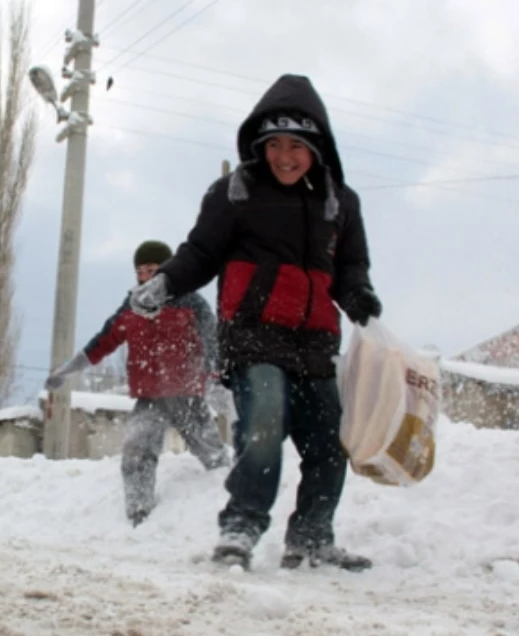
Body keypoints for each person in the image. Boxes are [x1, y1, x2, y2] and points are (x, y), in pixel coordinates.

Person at [129, 74, 382, 571]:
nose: (284, 156)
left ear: (318, 148)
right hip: (254, 337)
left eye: (297, 145)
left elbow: (350, 267)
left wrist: (360, 297)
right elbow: (201, 252)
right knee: (263, 426)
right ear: (260, 144)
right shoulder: (235, 192)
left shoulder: (340, 201)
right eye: (274, 144)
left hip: (314, 342)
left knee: (331, 443)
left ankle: (311, 537)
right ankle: (240, 527)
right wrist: (166, 282)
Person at [45, 240, 232, 527]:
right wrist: (68, 370)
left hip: (187, 397)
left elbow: (212, 343)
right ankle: (138, 515)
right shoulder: (131, 306)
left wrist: (215, 380)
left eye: (152, 269)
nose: (144, 276)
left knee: (213, 457)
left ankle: (222, 503)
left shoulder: (191, 301)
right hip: (151, 399)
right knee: (136, 449)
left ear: (166, 270)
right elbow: (103, 341)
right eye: (140, 270)